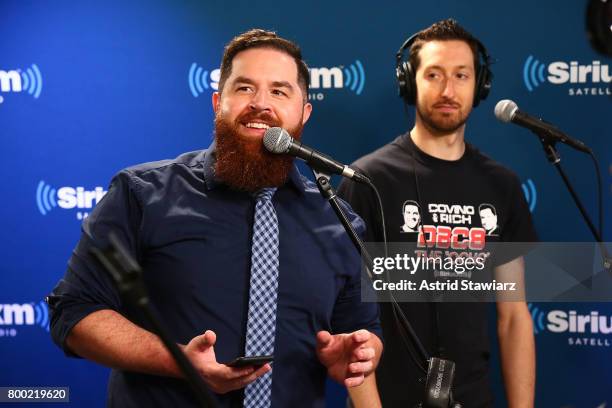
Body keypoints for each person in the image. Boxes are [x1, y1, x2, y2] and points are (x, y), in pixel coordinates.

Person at [47, 29, 382, 408]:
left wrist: (353, 355)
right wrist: (177, 361)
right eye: (244, 88)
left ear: (304, 112)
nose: (260, 104)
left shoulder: (339, 219)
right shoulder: (141, 194)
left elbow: (362, 333)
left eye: (279, 91)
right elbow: (73, 313)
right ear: (217, 101)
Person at [338, 19, 536, 407]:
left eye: (461, 75)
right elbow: (350, 321)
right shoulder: (367, 181)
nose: (448, 90)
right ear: (409, 82)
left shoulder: (502, 185)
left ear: (480, 86)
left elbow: (513, 318)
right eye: (434, 75)